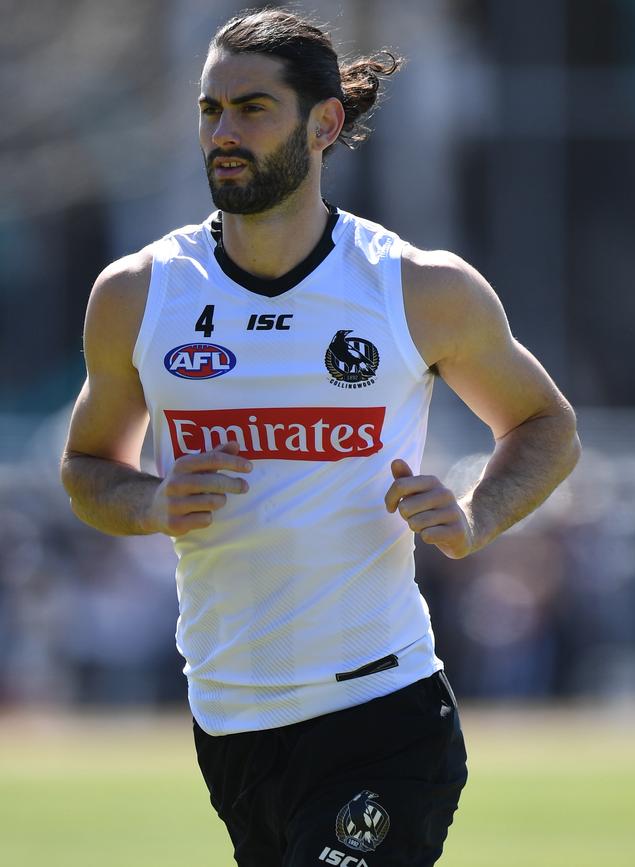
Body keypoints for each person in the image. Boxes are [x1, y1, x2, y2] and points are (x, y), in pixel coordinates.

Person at [61, 8, 581, 866]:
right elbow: (86, 467)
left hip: (381, 713)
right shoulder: (136, 293)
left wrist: (478, 516)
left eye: (252, 108)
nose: (222, 132)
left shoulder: (417, 287)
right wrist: (150, 501)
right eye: (209, 109)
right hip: (229, 722)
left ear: (324, 122)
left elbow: (545, 425)